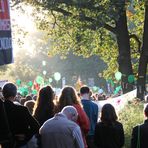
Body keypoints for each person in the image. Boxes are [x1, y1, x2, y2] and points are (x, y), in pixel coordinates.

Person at [2, 82, 39, 148]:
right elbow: (36, 126)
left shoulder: (2, 110)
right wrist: (26, 135)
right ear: (15, 94)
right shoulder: (22, 110)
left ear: (3, 93)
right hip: (20, 144)